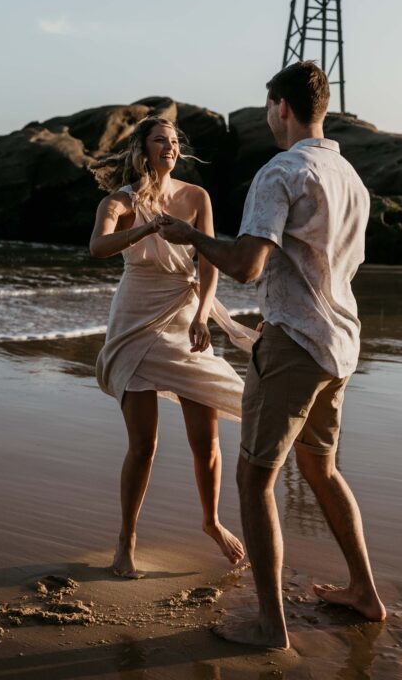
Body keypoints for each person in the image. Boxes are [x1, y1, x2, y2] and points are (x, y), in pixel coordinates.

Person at [158, 62, 386, 649]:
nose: (267, 116)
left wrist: (193, 239)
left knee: (255, 477)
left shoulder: (280, 171)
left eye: (268, 107)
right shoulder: (350, 178)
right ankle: (364, 593)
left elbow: (247, 265)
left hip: (294, 345)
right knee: (320, 466)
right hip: (341, 343)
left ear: (280, 106)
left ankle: (270, 625)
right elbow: (331, 266)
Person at [89, 115, 257, 578]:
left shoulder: (196, 197)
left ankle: (211, 521)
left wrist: (204, 315)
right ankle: (127, 540)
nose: (170, 147)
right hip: (135, 322)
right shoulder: (119, 200)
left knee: (206, 440)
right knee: (144, 444)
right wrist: (143, 228)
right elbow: (98, 246)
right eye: (160, 140)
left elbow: (208, 262)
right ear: (142, 148)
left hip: (184, 318)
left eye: (174, 141)